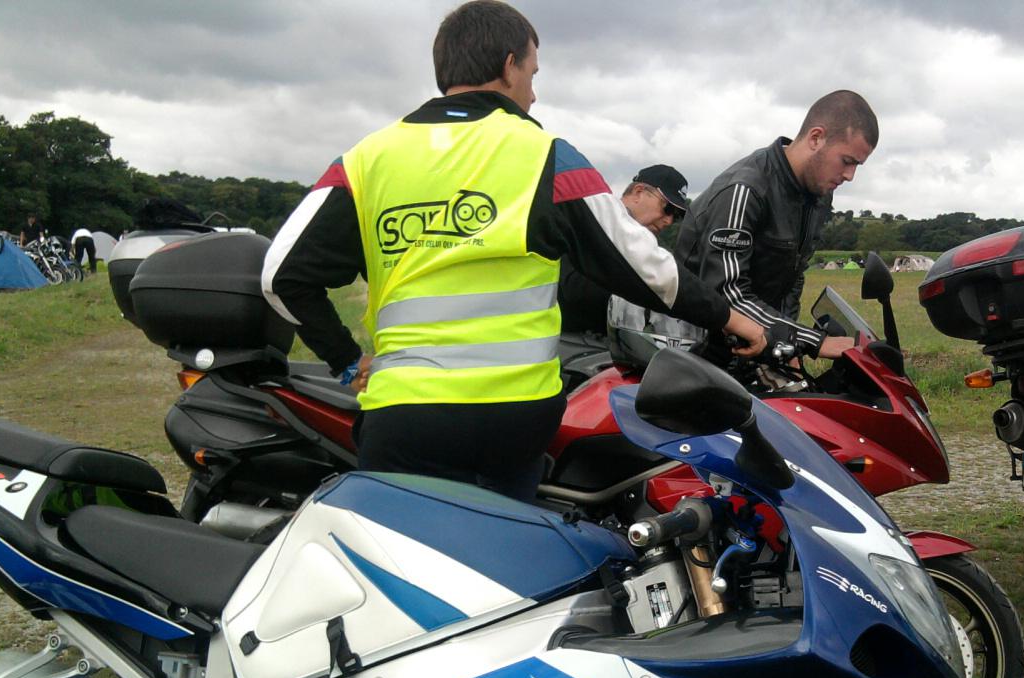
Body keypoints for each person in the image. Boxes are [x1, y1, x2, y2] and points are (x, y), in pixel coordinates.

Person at [262, 0, 764, 501]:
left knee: (408, 565)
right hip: (512, 420)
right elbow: (646, 268)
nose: (534, 92)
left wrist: (346, 360)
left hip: (405, 415)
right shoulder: (546, 154)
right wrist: (732, 319)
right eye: (531, 72)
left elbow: (282, 276)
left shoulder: (365, 160)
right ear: (508, 65)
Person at [673, 90, 878, 362]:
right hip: (691, 347)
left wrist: (785, 349)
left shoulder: (817, 195)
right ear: (816, 138)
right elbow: (725, 295)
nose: (850, 176)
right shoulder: (745, 189)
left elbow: (792, 277)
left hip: (749, 343)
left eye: (857, 166)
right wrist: (815, 342)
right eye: (847, 161)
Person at [558, 163, 690, 335]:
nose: (669, 221)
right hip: (569, 343)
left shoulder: (654, 250)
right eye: (668, 209)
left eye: (677, 216)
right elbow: (573, 293)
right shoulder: (591, 221)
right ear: (638, 192)